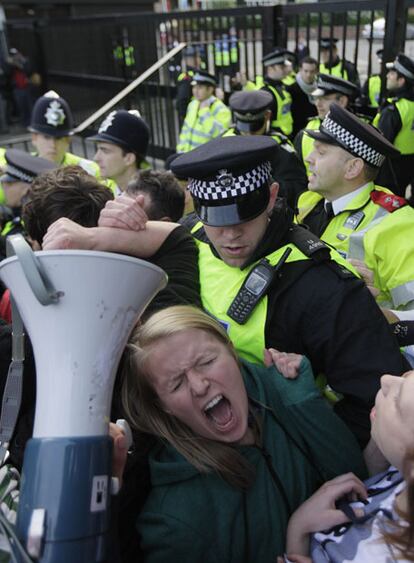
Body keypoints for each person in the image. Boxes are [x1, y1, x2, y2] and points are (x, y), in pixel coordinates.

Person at [50, 135, 410, 447]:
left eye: (244, 215)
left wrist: (312, 471)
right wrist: (98, 232)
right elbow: (178, 234)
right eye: (217, 219)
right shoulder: (196, 234)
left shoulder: (326, 288)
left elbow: (372, 403)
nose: (231, 235)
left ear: (271, 197)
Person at [120, 305, 366, 562]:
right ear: (164, 407)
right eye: (177, 383)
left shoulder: (277, 392)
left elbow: (356, 480)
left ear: (231, 351)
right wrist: (297, 537)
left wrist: (303, 401)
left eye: (206, 361)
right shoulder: (174, 523)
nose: (199, 385)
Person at [296, 104, 414, 350]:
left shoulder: (397, 223)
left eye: (321, 152)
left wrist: (374, 313)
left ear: (352, 168)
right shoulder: (310, 201)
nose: (309, 158)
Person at [281, 370, 414, 563]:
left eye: (397, 403)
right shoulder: (401, 470)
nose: (385, 380)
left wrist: (298, 530)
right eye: (407, 376)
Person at [224, 90, 308, 208]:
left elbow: (296, 189)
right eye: (244, 128)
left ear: (267, 116)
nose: (248, 134)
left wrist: (262, 187)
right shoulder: (224, 143)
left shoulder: (280, 148)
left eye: (254, 128)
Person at [294, 73, 359, 175]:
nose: (318, 104)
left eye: (325, 98)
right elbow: (297, 176)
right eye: (317, 98)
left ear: (342, 101)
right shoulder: (305, 132)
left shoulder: (360, 134)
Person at [0, 149, 56, 261]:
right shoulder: (16, 215)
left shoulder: (32, 229)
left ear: (27, 190)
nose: (3, 185)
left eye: (10, 182)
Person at [29, 90, 100, 177]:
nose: (53, 145)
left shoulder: (89, 171)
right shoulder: (20, 169)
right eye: (47, 137)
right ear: (34, 138)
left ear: (68, 140)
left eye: (59, 138)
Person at [373, 53, 414, 198]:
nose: (387, 76)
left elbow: (379, 144)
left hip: (389, 172)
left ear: (401, 80)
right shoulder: (409, 106)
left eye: (392, 73)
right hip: (408, 168)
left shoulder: (394, 109)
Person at [88, 109, 151, 194]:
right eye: (98, 149)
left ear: (129, 159)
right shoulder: (105, 191)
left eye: (105, 151)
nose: (96, 158)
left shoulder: (153, 200)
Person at [176, 70, 231, 153]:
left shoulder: (221, 109)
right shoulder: (193, 104)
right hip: (187, 155)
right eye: (194, 87)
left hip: (205, 158)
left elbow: (219, 135)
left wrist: (205, 113)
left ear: (210, 89)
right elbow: (185, 129)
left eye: (200, 87)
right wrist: (180, 149)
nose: (195, 91)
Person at [261, 49, 293, 136]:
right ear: (271, 69)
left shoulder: (281, 85)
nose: (285, 70)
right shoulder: (267, 92)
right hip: (275, 137)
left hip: (285, 136)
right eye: (282, 67)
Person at [287, 56, 318, 137]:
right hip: (297, 132)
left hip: (314, 130)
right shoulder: (291, 90)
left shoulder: (319, 87)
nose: (308, 75)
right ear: (300, 70)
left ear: (316, 72)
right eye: (306, 71)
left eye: (312, 71)